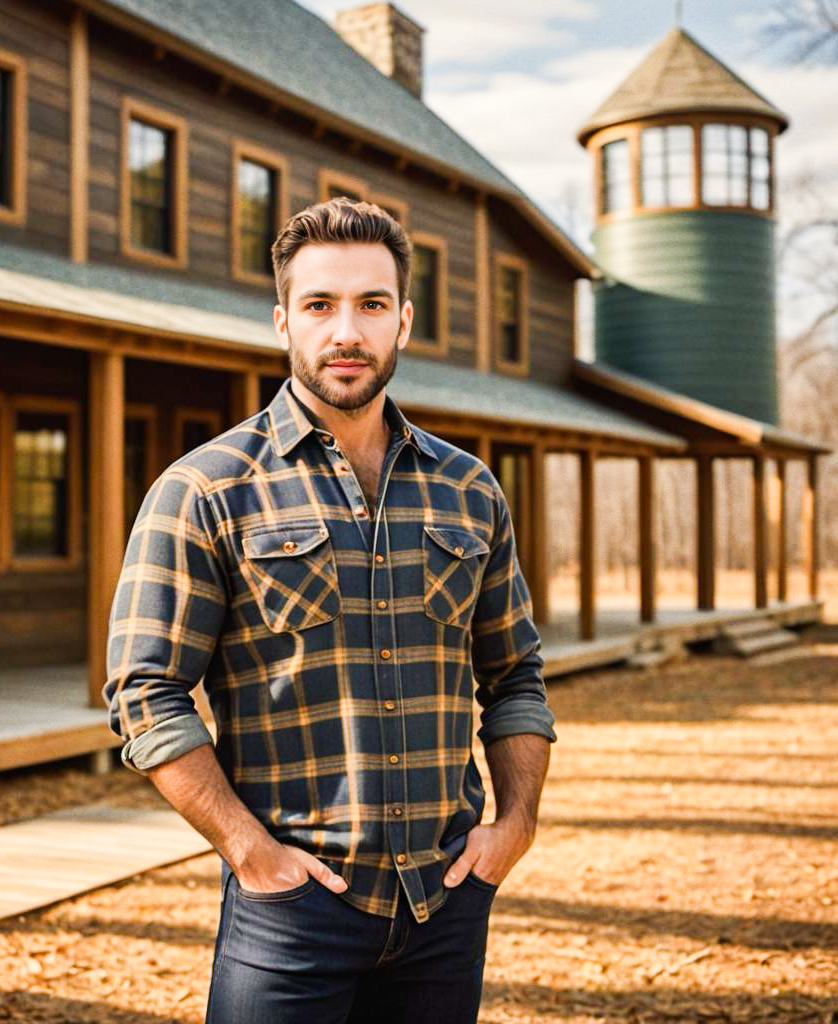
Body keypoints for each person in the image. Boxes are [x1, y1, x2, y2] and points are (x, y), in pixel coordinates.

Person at [104, 197, 556, 1024]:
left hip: (445, 905)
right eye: (320, 305)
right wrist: (249, 851)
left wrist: (515, 825)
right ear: (283, 321)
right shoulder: (205, 489)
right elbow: (145, 692)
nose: (346, 330)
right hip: (291, 912)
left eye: (371, 305)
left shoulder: (469, 491)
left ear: (404, 321)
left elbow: (515, 672)